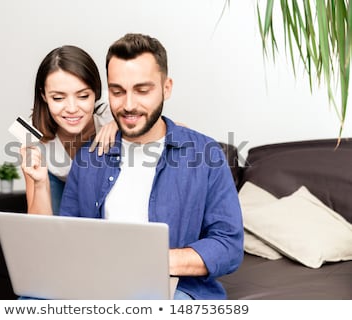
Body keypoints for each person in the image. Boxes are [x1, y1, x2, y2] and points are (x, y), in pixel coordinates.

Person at [59, 33, 244, 300]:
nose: (129, 105)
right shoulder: (89, 157)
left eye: (142, 91)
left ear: (166, 88)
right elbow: (68, 237)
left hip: (176, 289)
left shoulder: (206, 155)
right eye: (117, 91)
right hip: (97, 287)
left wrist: (148, 261)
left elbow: (228, 246)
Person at [20, 45, 117, 214]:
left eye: (83, 96)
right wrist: (40, 183)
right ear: (44, 95)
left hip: (97, 182)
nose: (72, 109)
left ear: (96, 91)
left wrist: (120, 123)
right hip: (55, 182)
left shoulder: (110, 115)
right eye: (58, 98)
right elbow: (37, 226)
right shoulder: (31, 130)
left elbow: (174, 128)